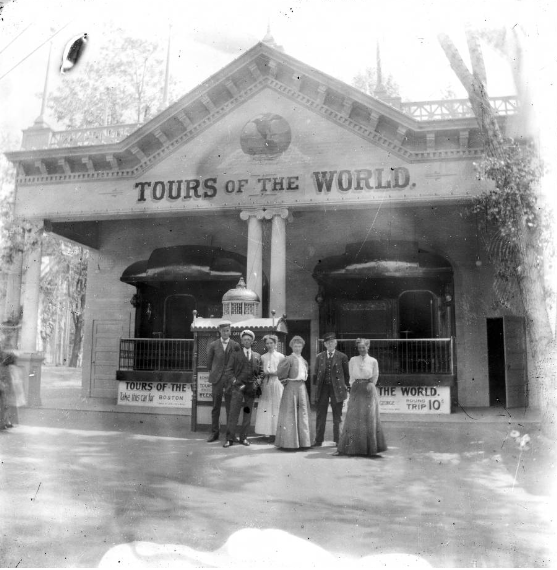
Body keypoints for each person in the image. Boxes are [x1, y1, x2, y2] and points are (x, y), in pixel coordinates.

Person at [336, 338, 387, 457]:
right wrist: (354, 385)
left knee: (369, 417)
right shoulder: (353, 360)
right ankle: (352, 448)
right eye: (359, 348)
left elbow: (375, 376)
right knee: (353, 417)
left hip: (368, 389)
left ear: (368, 347)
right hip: (356, 388)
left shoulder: (373, 361)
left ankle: (370, 449)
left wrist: (368, 386)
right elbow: (350, 375)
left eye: (363, 347)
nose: (361, 350)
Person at [223, 329, 262, 448]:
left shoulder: (257, 356)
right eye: (244, 339)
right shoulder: (235, 355)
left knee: (247, 413)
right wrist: (234, 381)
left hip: (250, 388)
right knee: (233, 413)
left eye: (249, 339)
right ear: (241, 341)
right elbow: (228, 370)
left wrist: (258, 380)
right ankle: (230, 439)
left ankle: (244, 438)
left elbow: (261, 371)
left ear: (252, 341)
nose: (247, 341)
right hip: (238, 387)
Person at [312, 332, 350, 447]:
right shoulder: (319, 357)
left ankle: (338, 441)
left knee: (337, 415)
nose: (330, 344)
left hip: (337, 389)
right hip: (323, 388)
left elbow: (346, 375)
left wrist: (345, 387)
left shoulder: (342, 356)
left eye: (332, 342)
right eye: (327, 343)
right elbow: (315, 374)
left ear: (336, 343)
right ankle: (318, 440)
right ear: (324, 344)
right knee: (320, 415)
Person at [275, 336, 312, 450]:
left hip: (302, 387)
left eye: (299, 346)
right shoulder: (288, 359)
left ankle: (304, 442)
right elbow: (281, 373)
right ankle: (289, 443)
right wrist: (287, 385)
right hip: (291, 388)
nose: (297, 348)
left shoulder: (304, 360)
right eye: (295, 346)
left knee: (303, 413)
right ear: (292, 346)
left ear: (302, 347)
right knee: (290, 414)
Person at [206, 321, 240, 443]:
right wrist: (216, 373)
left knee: (231, 408)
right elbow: (209, 363)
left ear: (230, 331)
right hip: (217, 380)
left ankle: (231, 434)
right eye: (223, 330)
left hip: (230, 380)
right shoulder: (213, 345)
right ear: (219, 331)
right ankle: (214, 433)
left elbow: (238, 363)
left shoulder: (235, 344)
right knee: (216, 407)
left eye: (228, 330)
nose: (226, 333)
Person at [254, 334, 285, 443]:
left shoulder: (281, 356)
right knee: (267, 406)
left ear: (275, 344)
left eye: (271, 343)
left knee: (276, 406)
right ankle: (267, 431)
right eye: (267, 343)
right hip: (266, 383)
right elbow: (261, 371)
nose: (269, 345)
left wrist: (275, 373)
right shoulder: (263, 357)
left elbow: (283, 371)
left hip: (277, 382)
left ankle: (277, 432)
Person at [0, 350, 18, 430]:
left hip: (5, 388)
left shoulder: (6, 367)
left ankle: (6, 422)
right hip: (4, 388)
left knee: (6, 406)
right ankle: (4, 423)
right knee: (4, 406)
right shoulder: (3, 367)